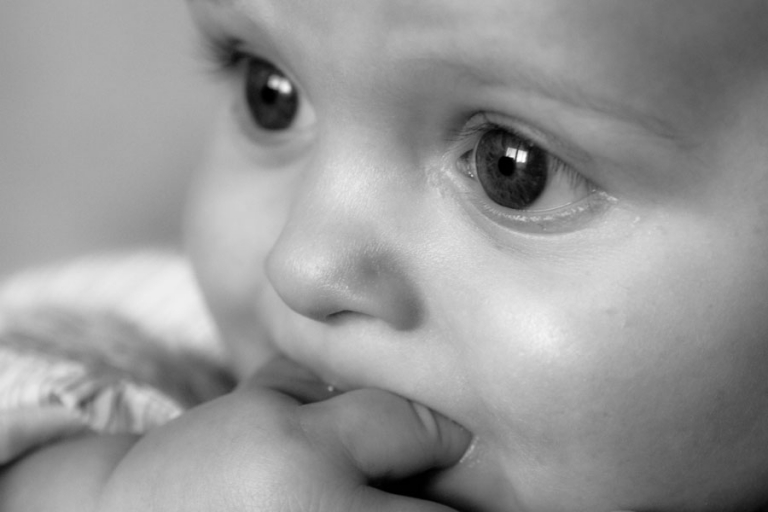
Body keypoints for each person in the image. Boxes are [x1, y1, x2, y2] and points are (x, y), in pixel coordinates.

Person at [2, 0, 768, 510]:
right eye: (272, 93)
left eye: (513, 168)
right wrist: (110, 494)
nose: (302, 266)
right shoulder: (172, 383)